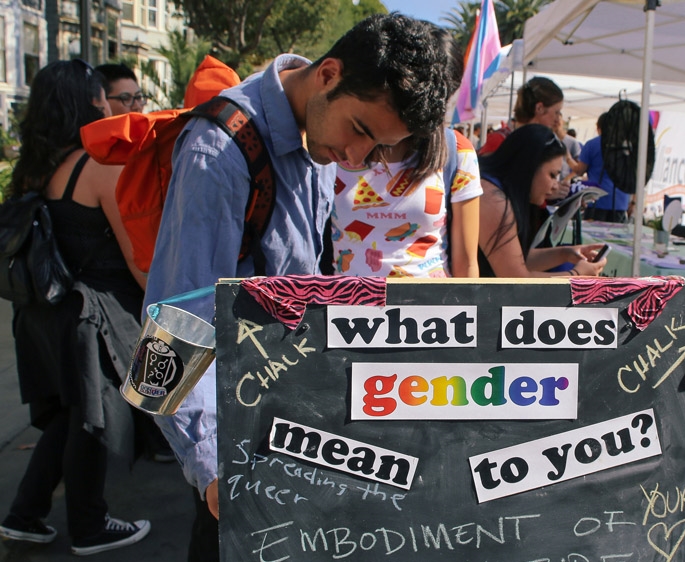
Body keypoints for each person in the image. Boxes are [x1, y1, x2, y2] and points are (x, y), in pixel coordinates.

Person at [141, 13, 457, 559]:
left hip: (279, 426)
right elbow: (167, 331)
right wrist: (215, 468)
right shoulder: (217, 152)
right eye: (359, 131)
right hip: (233, 448)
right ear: (328, 74)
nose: (356, 160)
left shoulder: (316, 139)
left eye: (377, 149)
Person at [0, 60, 151, 556]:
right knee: (93, 419)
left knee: (70, 415)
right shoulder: (95, 165)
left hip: (42, 310)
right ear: (89, 103)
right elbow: (135, 257)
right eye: (104, 98)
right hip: (91, 314)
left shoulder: (35, 166)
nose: (111, 106)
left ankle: (25, 514)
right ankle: (88, 526)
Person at [331, 36, 481, 279]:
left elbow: (468, 267)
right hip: (346, 312)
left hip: (430, 313)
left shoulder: (456, 150)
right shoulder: (339, 145)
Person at [478, 124, 606, 278]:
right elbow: (515, 279)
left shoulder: (496, 193)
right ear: (529, 166)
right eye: (552, 175)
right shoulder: (493, 200)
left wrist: (565, 254)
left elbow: (515, 260)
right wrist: (576, 275)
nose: (555, 186)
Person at [567, 112, 631, 223]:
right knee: (616, 238)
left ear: (599, 127)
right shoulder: (626, 147)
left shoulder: (592, 144)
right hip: (620, 201)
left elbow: (579, 171)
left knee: (593, 238)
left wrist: (567, 158)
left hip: (597, 200)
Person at [478, 76, 564, 156]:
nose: (558, 119)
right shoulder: (500, 140)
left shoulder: (542, 143)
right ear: (539, 108)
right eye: (556, 112)